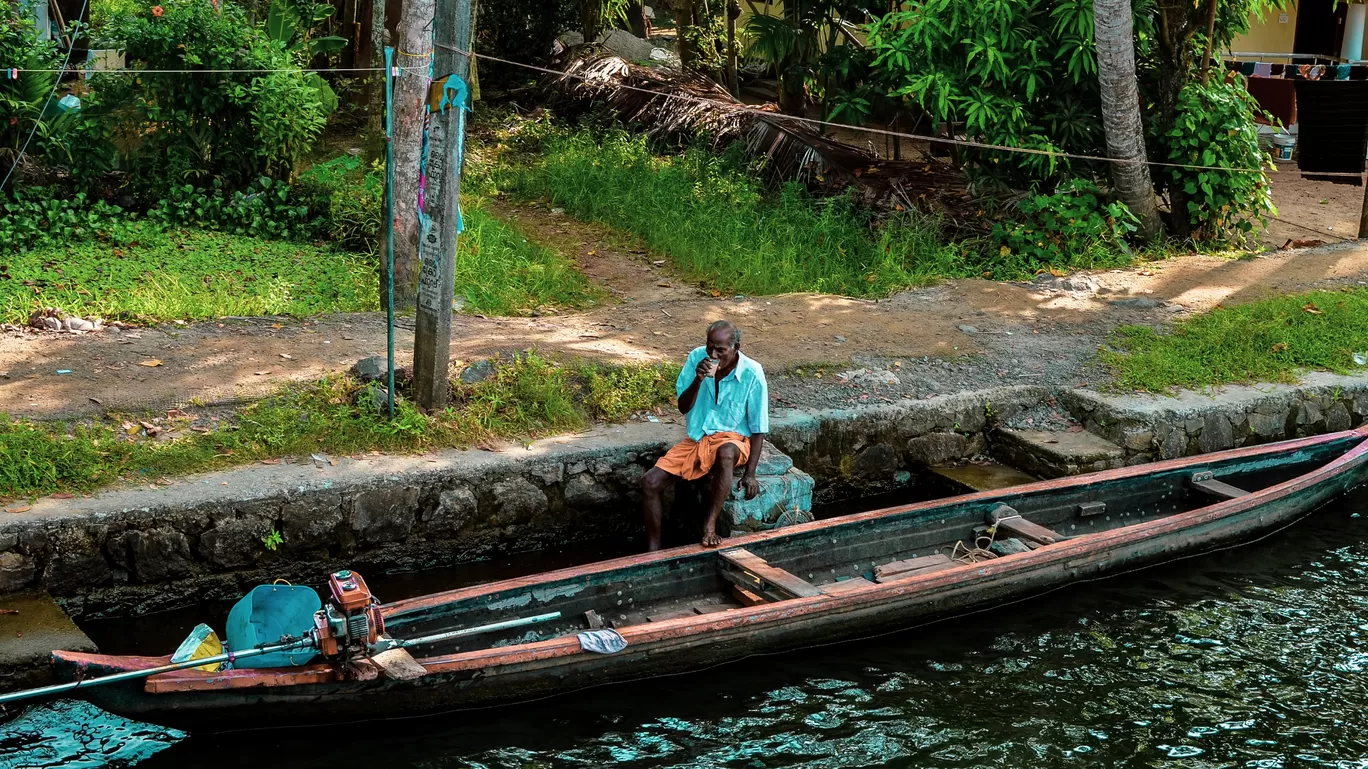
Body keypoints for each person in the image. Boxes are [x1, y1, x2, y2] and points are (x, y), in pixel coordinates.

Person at [641, 320, 769, 550]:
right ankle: (653, 548)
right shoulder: (696, 358)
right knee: (650, 482)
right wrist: (698, 380)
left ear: (736, 347)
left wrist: (750, 474)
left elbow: (759, 428)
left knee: (726, 451)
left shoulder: (752, 372)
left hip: (734, 440)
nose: (713, 354)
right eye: (710, 347)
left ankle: (709, 527)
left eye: (720, 350)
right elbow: (683, 406)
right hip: (698, 438)